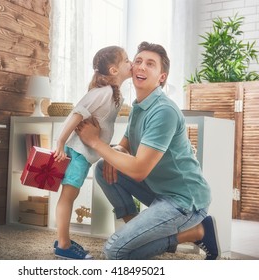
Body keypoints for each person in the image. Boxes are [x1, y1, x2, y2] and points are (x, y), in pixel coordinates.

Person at [75, 41, 220, 260]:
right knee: (104, 166)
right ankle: (138, 231)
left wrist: (95, 142)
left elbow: (139, 170)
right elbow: (125, 145)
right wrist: (116, 150)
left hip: (184, 201)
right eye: (139, 61)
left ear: (161, 77)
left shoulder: (163, 111)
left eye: (150, 64)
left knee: (115, 250)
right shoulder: (139, 105)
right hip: (159, 191)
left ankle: (197, 231)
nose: (141, 66)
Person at [53, 45, 132, 259]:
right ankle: (63, 244)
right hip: (77, 152)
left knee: (70, 195)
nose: (131, 63)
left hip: (83, 153)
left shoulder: (114, 95)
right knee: (68, 196)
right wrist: (60, 142)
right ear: (114, 70)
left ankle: (62, 239)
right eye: (127, 60)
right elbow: (76, 113)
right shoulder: (103, 92)